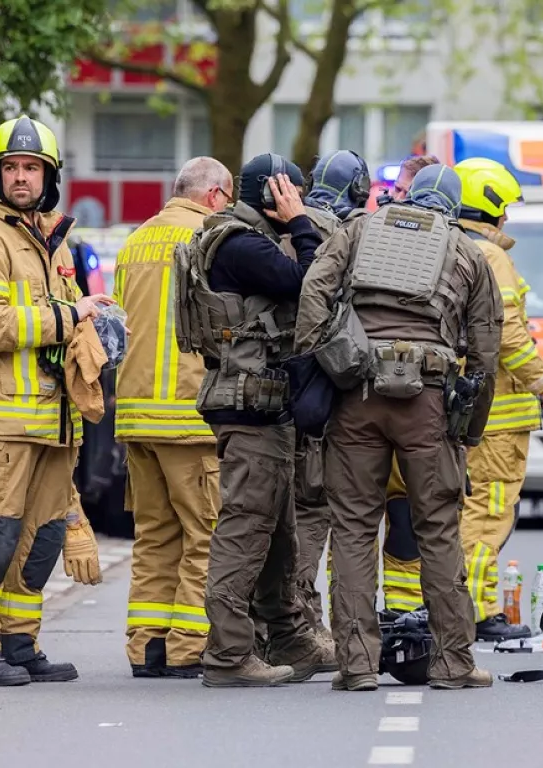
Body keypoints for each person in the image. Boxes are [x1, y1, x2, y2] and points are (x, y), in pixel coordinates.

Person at [296, 163, 502, 691]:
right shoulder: (469, 252)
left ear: (407, 195)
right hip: (427, 401)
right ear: (452, 209)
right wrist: (468, 429)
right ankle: (453, 664)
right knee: (437, 529)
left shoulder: (359, 228)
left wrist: (336, 360)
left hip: (356, 397)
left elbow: (314, 295)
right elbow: (483, 352)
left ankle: (358, 665)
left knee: (353, 529)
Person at [0, 115, 114, 686]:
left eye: (32, 168)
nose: (21, 177)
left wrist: (95, 325)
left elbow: (67, 327)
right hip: (1, 422)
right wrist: (71, 316)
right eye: (11, 168)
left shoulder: (51, 245)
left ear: (49, 177)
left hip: (53, 422)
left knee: (39, 540)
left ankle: (17, 643)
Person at [176, 152, 335, 687]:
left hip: (263, 404)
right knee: (246, 528)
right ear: (275, 193)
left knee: (279, 531)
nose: (300, 202)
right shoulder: (241, 244)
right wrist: (301, 225)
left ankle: (289, 636)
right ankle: (227, 655)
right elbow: (309, 284)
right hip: (248, 405)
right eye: (293, 193)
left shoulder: (238, 238)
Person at [252, 149, 373, 659]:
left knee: (269, 516)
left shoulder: (272, 226)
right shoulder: (337, 235)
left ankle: (265, 628)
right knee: (313, 512)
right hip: (317, 394)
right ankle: (304, 623)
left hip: (266, 391)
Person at [115, 157, 232, 679]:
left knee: (155, 534)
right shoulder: (211, 238)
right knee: (206, 532)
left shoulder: (135, 241)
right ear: (214, 196)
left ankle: (146, 649)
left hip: (137, 416)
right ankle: (187, 646)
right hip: (190, 417)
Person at [453, 158, 543, 640]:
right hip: (497, 415)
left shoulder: (444, 246)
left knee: (461, 510)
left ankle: (462, 605)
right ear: (493, 206)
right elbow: (508, 335)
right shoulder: (490, 256)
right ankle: (477, 612)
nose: (509, 219)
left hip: (456, 408)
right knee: (488, 511)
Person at [375, 153, 442, 617]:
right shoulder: (454, 245)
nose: (393, 200)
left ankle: (401, 619)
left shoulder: (376, 235)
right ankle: (404, 623)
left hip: (404, 397)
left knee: (405, 520)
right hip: (407, 401)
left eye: (402, 192)